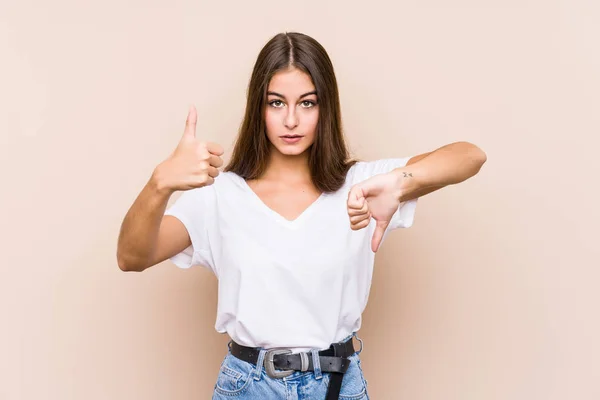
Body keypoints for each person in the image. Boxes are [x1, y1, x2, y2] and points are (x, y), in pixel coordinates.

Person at [117, 32, 487, 400]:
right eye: (276, 103)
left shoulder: (361, 185)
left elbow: (469, 156)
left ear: (325, 107)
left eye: (307, 103)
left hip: (338, 385)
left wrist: (400, 183)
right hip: (248, 387)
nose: (291, 120)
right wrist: (159, 184)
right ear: (258, 108)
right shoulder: (220, 195)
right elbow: (132, 257)